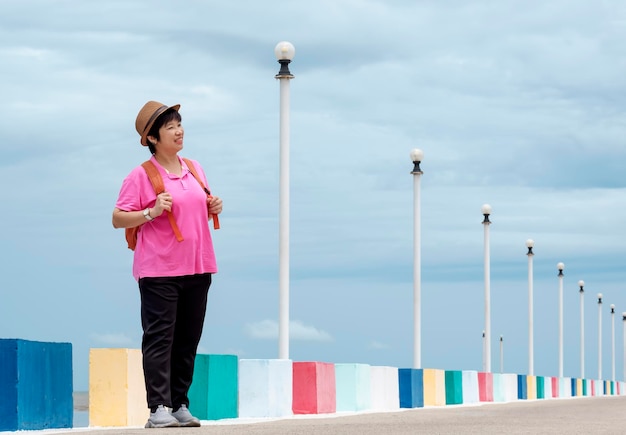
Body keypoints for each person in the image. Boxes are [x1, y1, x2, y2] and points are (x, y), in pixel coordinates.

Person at [112, 101, 222, 428]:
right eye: (171, 126)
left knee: (188, 338)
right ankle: (158, 407)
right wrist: (151, 212)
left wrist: (213, 204)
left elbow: (195, 209)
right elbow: (118, 217)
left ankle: (179, 404)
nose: (179, 130)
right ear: (153, 138)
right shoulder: (141, 175)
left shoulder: (194, 168)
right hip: (159, 270)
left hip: (198, 267)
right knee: (161, 339)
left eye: (180, 124)